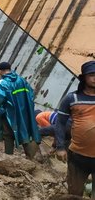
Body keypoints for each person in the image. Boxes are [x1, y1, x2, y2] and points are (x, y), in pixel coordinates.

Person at [55, 60, 95, 197]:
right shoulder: (72, 98)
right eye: (92, 74)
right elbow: (60, 123)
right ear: (84, 77)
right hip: (78, 157)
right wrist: (60, 147)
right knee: (75, 193)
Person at [0, 62, 41, 159]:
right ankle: (29, 157)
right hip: (23, 111)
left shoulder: (2, 83)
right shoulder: (21, 80)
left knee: (8, 134)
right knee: (24, 130)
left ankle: (9, 157)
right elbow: (31, 94)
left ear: (0, 71)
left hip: (10, 113)